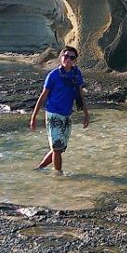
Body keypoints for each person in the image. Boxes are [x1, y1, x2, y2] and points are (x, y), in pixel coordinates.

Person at [29, 45, 89, 174]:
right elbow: (43, 96)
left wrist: (86, 114)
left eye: (71, 57)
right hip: (53, 114)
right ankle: (58, 175)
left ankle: (39, 168)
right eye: (65, 56)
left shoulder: (76, 74)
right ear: (61, 57)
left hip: (67, 115)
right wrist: (33, 117)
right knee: (57, 148)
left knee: (59, 149)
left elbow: (80, 94)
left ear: (75, 60)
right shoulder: (53, 75)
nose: (68, 59)